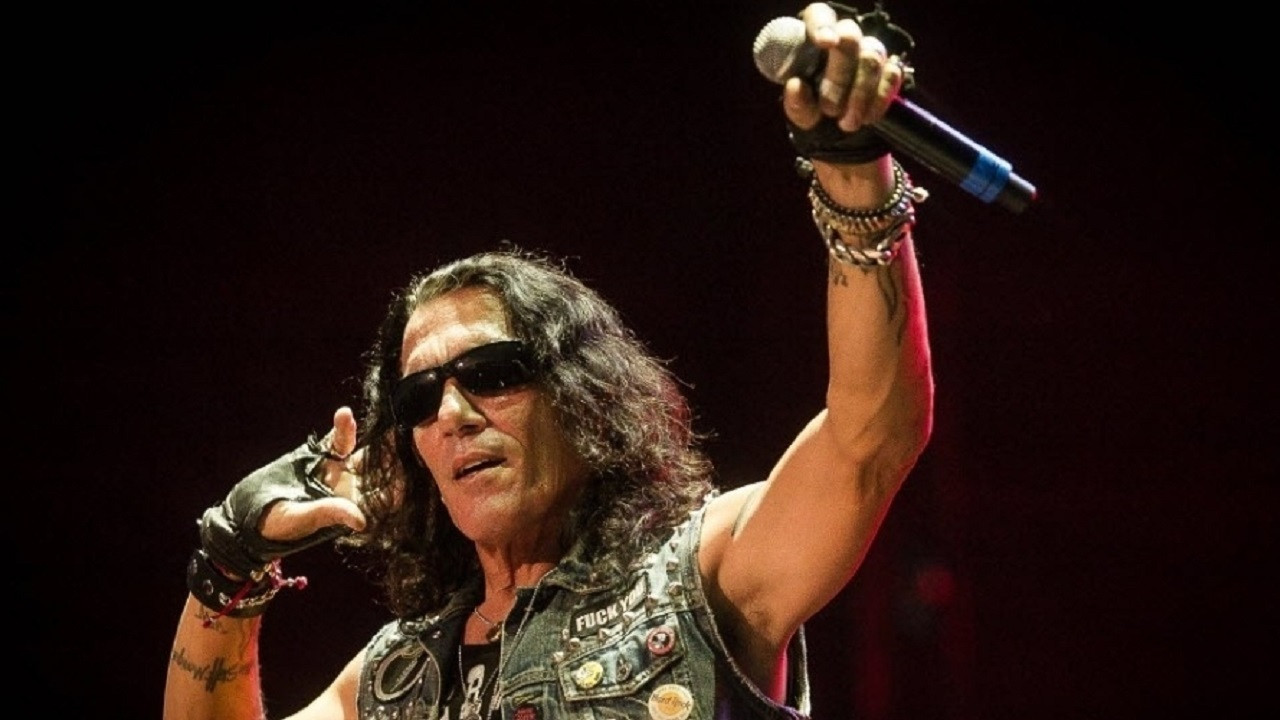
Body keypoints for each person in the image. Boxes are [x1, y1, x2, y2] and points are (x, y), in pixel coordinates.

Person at [164, 3, 935, 718]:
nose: (453, 414)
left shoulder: (703, 574)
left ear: (580, 395)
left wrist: (850, 169)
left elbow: (870, 438)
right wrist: (230, 562)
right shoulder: (394, 677)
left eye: (492, 373)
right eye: (419, 398)